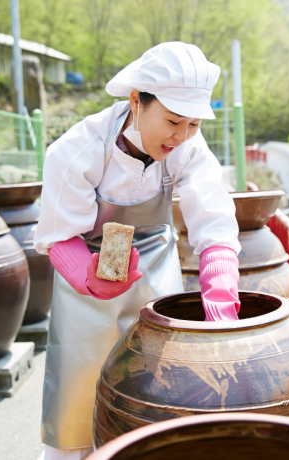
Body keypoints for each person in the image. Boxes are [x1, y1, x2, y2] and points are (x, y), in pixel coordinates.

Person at [33, 42, 242, 460]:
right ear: (136, 101)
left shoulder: (187, 148)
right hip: (87, 279)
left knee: (158, 392)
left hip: (155, 272)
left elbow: (213, 218)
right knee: (78, 402)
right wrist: (87, 277)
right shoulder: (78, 149)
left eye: (194, 123)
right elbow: (59, 234)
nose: (182, 135)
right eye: (173, 120)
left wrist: (221, 297)